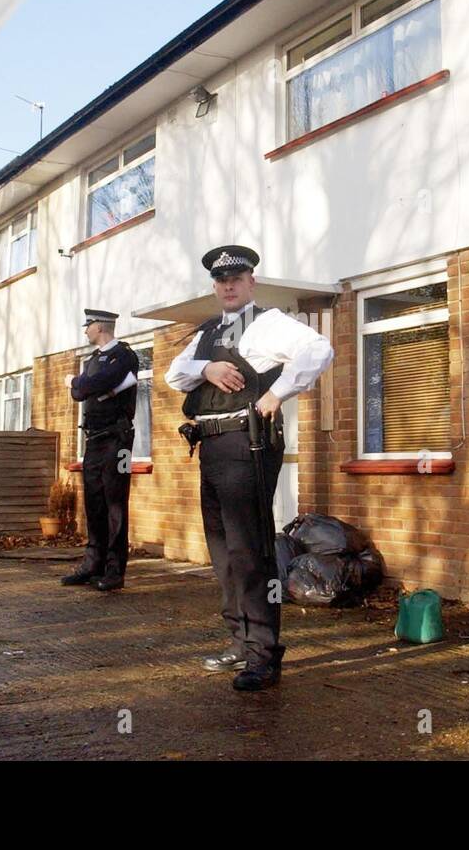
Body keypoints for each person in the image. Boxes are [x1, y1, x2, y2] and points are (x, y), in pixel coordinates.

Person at [166, 246, 333, 691]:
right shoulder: (207, 332)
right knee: (222, 553)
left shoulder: (268, 323)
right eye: (221, 280)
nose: (228, 285)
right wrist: (209, 367)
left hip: (248, 442)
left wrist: (278, 393)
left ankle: (264, 654)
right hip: (212, 445)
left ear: (251, 281)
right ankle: (239, 642)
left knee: (250, 550)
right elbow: (173, 375)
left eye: (237, 277)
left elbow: (319, 348)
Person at [61, 309, 140, 591]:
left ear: (100, 327)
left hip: (118, 441)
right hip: (94, 439)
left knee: (115, 502)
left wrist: (76, 381)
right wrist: (81, 385)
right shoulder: (94, 360)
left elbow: (92, 384)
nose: (85, 331)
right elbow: (81, 393)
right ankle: (92, 564)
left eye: (88, 326)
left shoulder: (124, 356)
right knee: (94, 502)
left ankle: (114, 571)